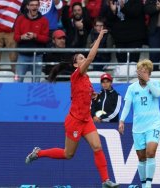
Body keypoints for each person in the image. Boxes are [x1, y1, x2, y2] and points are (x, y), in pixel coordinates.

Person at [25, 29, 119, 188]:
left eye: (83, 58)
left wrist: (93, 95)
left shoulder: (87, 78)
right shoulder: (76, 75)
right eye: (81, 59)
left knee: (97, 147)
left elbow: (83, 94)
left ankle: (105, 181)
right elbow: (91, 57)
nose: (85, 60)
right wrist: (100, 36)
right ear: (76, 64)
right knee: (68, 154)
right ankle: (38, 153)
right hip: (74, 121)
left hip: (86, 120)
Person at [118, 59, 160, 188]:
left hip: (154, 124)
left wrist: (147, 81)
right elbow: (127, 106)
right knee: (141, 157)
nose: (141, 74)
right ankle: (144, 184)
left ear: (149, 73)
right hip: (138, 127)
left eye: (144, 72)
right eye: (140, 71)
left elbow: (157, 94)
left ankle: (148, 184)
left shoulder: (155, 83)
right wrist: (122, 120)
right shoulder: (132, 88)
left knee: (151, 152)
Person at [14, 0, 49, 82]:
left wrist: (35, 36)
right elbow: (15, 37)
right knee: (17, 80)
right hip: (22, 55)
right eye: (32, 5)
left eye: (36, 5)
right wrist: (22, 37)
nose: (34, 7)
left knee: (36, 81)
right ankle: (16, 94)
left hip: (37, 56)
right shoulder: (20, 19)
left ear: (39, 6)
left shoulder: (44, 20)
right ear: (27, 6)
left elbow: (46, 39)